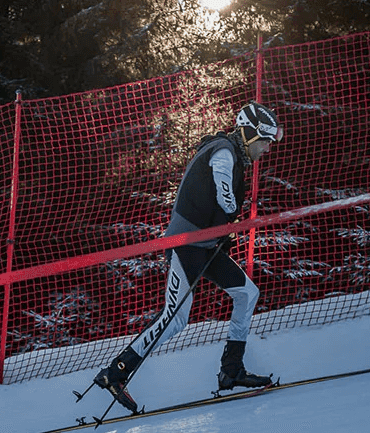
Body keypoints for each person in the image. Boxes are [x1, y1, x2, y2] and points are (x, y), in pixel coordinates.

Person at [93, 102, 283, 412]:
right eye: (264, 141)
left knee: (247, 293)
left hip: (205, 245)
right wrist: (231, 216)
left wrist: (223, 231)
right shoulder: (223, 151)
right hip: (185, 244)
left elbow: (219, 203)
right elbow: (224, 194)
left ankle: (231, 370)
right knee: (176, 317)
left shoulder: (234, 155)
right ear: (248, 134)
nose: (266, 148)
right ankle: (116, 373)